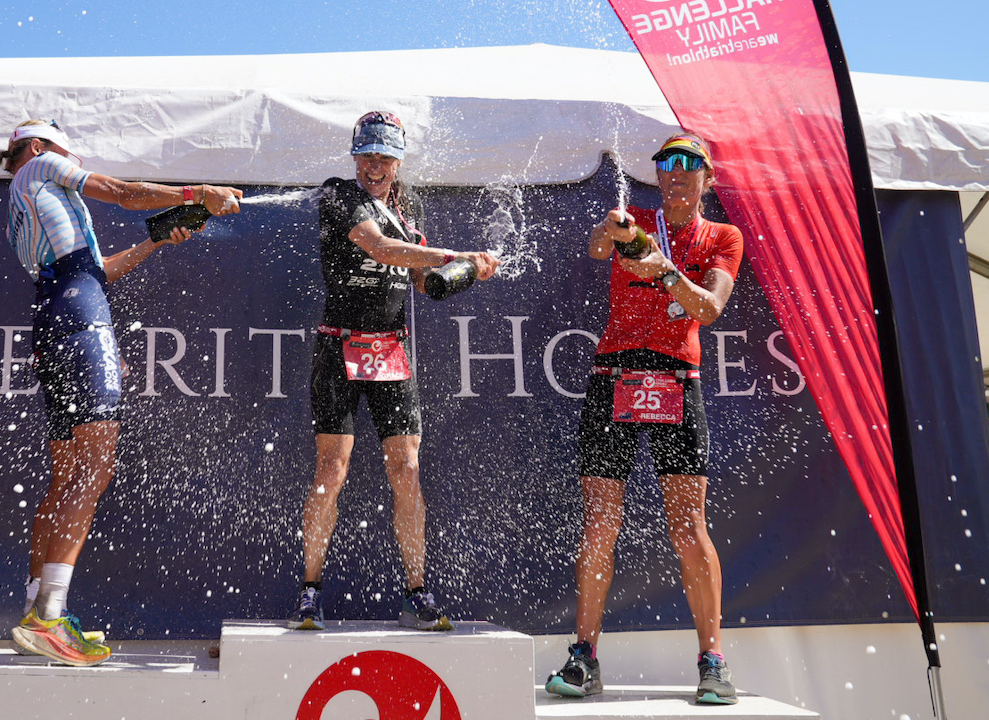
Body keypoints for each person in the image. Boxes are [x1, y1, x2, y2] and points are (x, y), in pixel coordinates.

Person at [0, 119, 242, 666]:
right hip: (80, 319)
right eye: (66, 150)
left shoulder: (26, 201)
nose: (72, 158)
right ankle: (50, 617)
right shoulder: (41, 165)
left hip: (57, 314)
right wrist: (200, 193)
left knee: (67, 475)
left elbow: (95, 272)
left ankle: (37, 611)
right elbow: (124, 194)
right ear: (35, 147)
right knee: (95, 466)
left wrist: (155, 239)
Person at [546, 133, 744, 704]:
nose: (676, 174)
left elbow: (709, 308)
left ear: (707, 177)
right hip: (614, 375)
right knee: (600, 522)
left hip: (677, 379)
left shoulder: (722, 237)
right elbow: (595, 249)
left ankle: (713, 660)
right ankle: (584, 657)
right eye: (666, 164)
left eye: (688, 165)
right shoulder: (635, 215)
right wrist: (612, 231)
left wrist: (662, 271)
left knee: (688, 526)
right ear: (657, 176)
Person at [287, 111, 500, 632]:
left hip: (391, 352)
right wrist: (456, 253)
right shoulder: (339, 193)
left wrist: (466, 272)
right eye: (367, 156)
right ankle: (310, 591)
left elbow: (425, 282)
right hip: (339, 348)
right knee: (331, 470)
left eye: (384, 157)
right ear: (354, 157)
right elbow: (380, 249)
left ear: (399, 160)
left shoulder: (411, 206)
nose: (374, 167)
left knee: (406, 469)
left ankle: (417, 590)